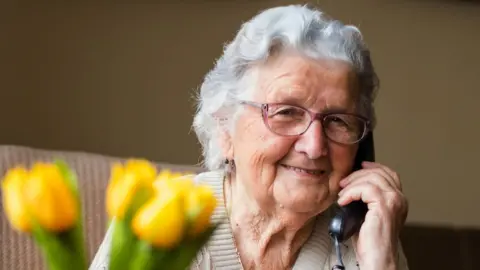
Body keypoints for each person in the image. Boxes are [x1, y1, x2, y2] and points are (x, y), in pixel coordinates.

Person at [90, 4, 409, 270]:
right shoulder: (158, 223)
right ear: (225, 128)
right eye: (286, 112)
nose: (314, 146)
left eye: (338, 120)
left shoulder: (363, 238)